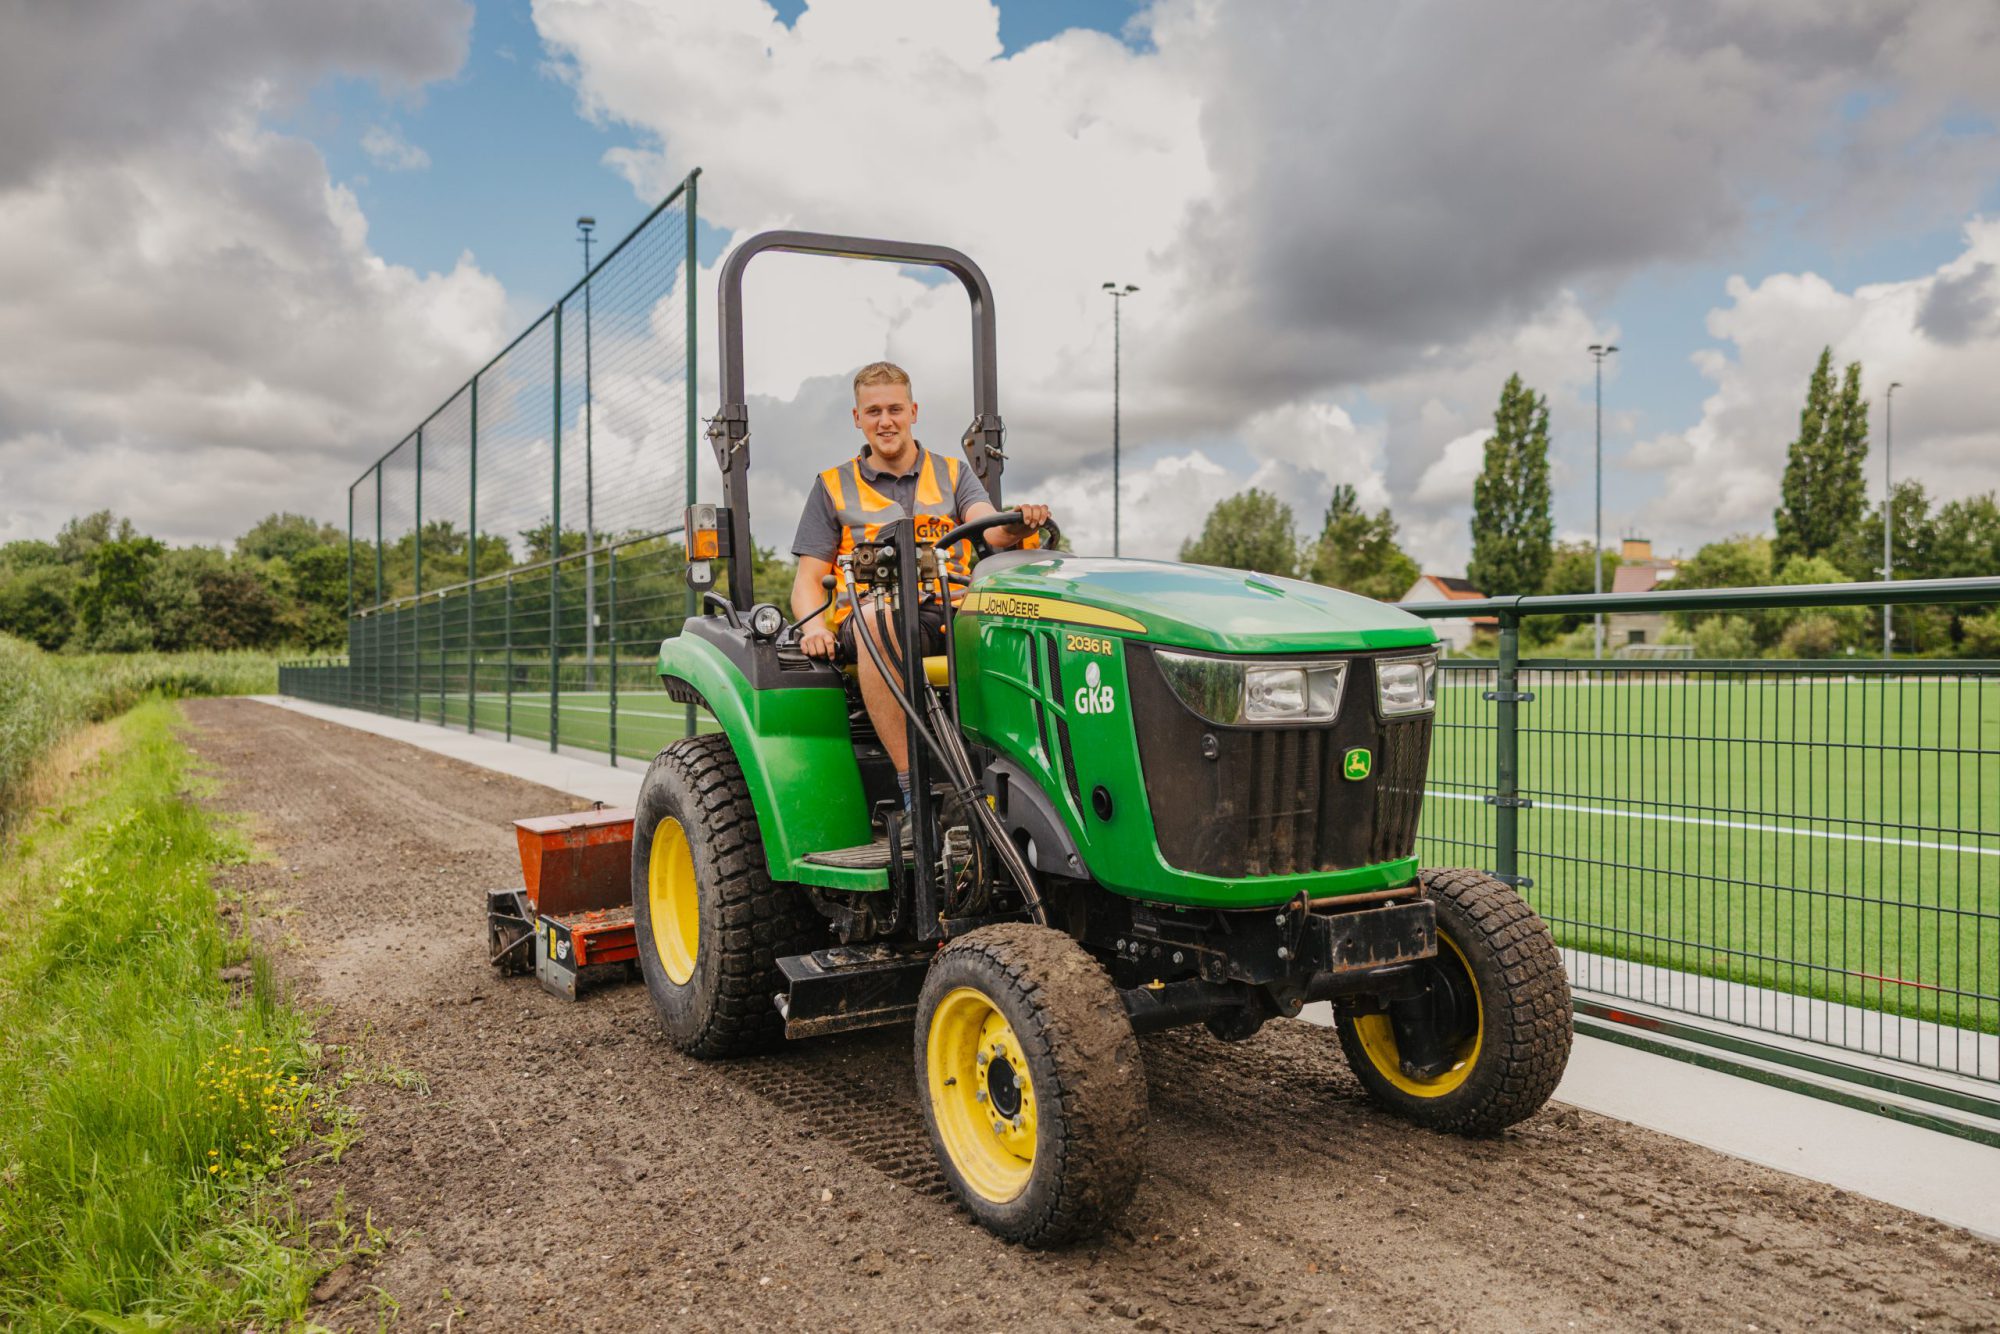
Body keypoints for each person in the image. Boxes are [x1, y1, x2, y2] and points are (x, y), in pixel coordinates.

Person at [790, 361, 1050, 807]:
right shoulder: (832, 486)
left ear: (913, 411)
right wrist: (816, 629)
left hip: (948, 610)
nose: (885, 421)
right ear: (858, 418)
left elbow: (989, 529)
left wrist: (1019, 524)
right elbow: (808, 580)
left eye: (894, 409)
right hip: (870, 616)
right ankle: (916, 793)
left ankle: (1033, 780)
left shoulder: (953, 473)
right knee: (878, 620)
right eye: (873, 412)